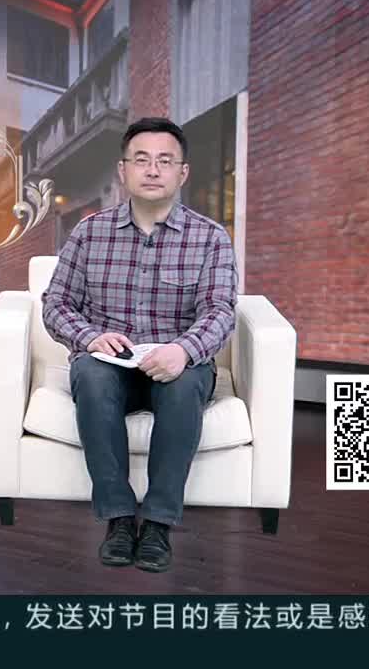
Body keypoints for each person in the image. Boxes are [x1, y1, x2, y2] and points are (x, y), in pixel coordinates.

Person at [41, 117, 237, 572]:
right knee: (90, 374)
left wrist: (184, 350)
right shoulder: (89, 233)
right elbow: (56, 304)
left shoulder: (210, 238)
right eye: (141, 159)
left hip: (177, 363)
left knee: (184, 384)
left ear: (182, 173)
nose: (152, 170)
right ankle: (119, 519)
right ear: (122, 170)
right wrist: (91, 337)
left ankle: (158, 526)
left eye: (165, 161)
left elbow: (220, 310)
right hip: (110, 366)